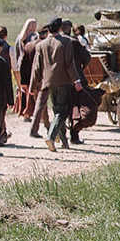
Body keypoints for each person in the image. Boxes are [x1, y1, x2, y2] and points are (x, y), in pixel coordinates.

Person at [30, 17, 83, 151]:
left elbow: (36, 67)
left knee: (57, 111)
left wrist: (33, 86)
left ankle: (64, 142)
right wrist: (76, 80)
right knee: (62, 112)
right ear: (60, 28)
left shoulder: (41, 45)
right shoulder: (66, 42)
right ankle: (51, 136)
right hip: (64, 82)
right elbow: (70, 64)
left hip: (48, 82)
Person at [12, 18, 39, 119]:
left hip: (20, 64)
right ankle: (29, 112)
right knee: (31, 88)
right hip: (29, 64)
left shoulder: (19, 37)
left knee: (22, 88)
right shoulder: (33, 37)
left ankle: (23, 112)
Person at [28, 28, 53, 136]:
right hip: (42, 79)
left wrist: (28, 83)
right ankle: (35, 129)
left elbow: (24, 65)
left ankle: (47, 126)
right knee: (41, 104)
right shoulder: (45, 45)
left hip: (32, 78)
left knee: (42, 105)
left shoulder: (29, 45)